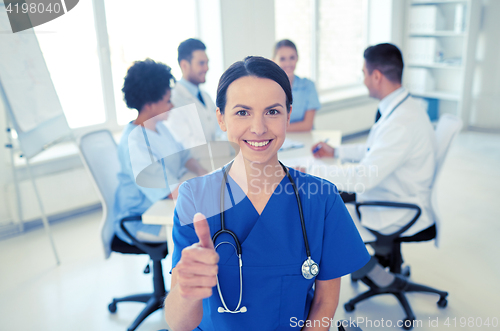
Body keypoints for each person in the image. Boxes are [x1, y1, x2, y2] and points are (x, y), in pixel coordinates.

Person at [164, 56, 371, 330]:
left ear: (288, 114)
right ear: (221, 118)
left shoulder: (322, 200)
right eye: (242, 112)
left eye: (272, 111)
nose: (259, 128)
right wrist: (187, 291)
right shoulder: (195, 197)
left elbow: (324, 303)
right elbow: (179, 324)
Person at [311, 43, 437, 238]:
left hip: (394, 209)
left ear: (377, 76)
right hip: (388, 192)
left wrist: (311, 172)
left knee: (318, 214)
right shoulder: (404, 109)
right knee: (329, 195)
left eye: (364, 74)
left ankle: (370, 269)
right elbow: (375, 150)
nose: (364, 81)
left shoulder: (400, 123)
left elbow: (363, 178)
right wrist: (337, 152)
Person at [113, 59, 207, 245]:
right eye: (167, 101)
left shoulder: (158, 126)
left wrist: (203, 173)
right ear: (149, 105)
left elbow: (184, 156)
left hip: (167, 207)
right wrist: (210, 188)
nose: (171, 106)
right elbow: (170, 192)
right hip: (146, 219)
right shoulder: (135, 144)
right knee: (209, 229)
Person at [165, 38, 222, 148]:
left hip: (215, 160)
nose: (206, 68)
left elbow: (220, 131)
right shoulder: (173, 100)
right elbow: (186, 144)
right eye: (201, 63)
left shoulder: (206, 97)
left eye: (207, 62)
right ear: (184, 65)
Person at [273, 39, 320, 132]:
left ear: (297, 58)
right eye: (282, 59)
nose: (288, 63)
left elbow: (307, 125)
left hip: (305, 138)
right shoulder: (269, 88)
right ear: (274, 60)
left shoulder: (308, 86)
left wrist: (277, 129)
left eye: (292, 58)